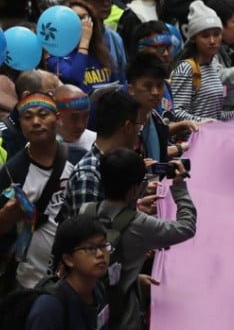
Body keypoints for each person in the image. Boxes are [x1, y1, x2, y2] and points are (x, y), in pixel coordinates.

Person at [91, 148, 197, 330]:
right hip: (124, 329)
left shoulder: (86, 211)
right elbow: (186, 227)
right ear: (134, 188)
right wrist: (179, 189)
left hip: (88, 323)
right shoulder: (140, 224)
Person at [0, 93, 78, 291]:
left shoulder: (78, 161)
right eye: (27, 117)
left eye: (43, 115)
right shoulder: (11, 172)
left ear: (58, 119)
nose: (36, 122)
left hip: (77, 278)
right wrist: (6, 217)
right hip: (29, 282)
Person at [22, 215, 119, 330]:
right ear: (68, 259)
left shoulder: (98, 290)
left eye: (103, 245)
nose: (101, 254)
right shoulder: (49, 308)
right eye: (90, 248)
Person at [168, 0, 234, 122]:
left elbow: (215, 115)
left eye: (216, 34)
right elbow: (176, 112)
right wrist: (203, 122)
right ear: (193, 39)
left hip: (211, 137)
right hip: (193, 139)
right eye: (205, 36)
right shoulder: (186, 68)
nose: (212, 40)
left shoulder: (213, 68)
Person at [60, 89, 146, 222]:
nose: (138, 133)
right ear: (128, 127)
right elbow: (87, 236)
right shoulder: (88, 176)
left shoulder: (115, 165)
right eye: (138, 126)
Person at [49, 0, 127, 95]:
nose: (82, 23)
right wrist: (84, 42)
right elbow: (75, 78)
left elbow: (117, 83)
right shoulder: (57, 57)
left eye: (85, 18)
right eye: (75, 18)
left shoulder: (101, 51)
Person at [54, 84, 95, 152]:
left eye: (85, 116)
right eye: (74, 118)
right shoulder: (42, 146)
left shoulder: (96, 142)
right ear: (58, 117)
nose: (80, 125)